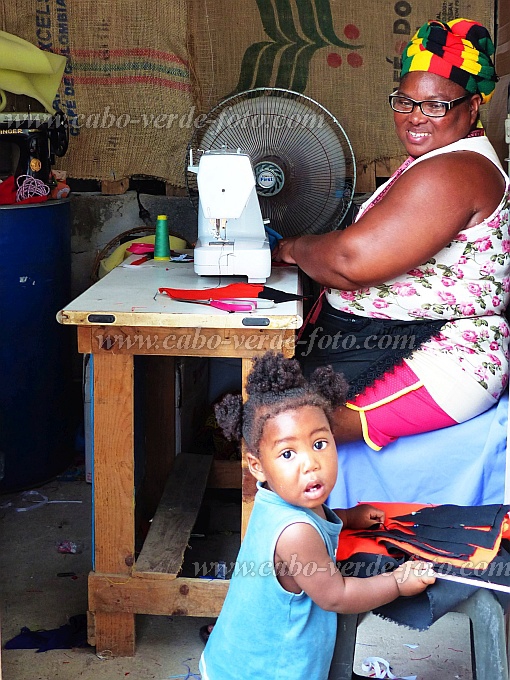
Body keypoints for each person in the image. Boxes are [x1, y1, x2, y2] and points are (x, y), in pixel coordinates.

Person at [274, 18, 510, 451]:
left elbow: (352, 263)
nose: (415, 118)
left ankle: (306, 520)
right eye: (405, 102)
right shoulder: (438, 159)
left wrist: (291, 248)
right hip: (387, 338)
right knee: (264, 397)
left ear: (473, 106)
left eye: (435, 105)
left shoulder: (456, 171)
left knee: (281, 428)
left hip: (439, 356)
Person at [199, 351, 435, 680]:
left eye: (320, 444)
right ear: (257, 466)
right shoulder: (296, 533)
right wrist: (397, 583)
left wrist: (348, 517)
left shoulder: (281, 501)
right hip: (265, 672)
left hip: (233, 660)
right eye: (287, 453)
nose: (310, 463)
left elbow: (313, 522)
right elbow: (336, 596)